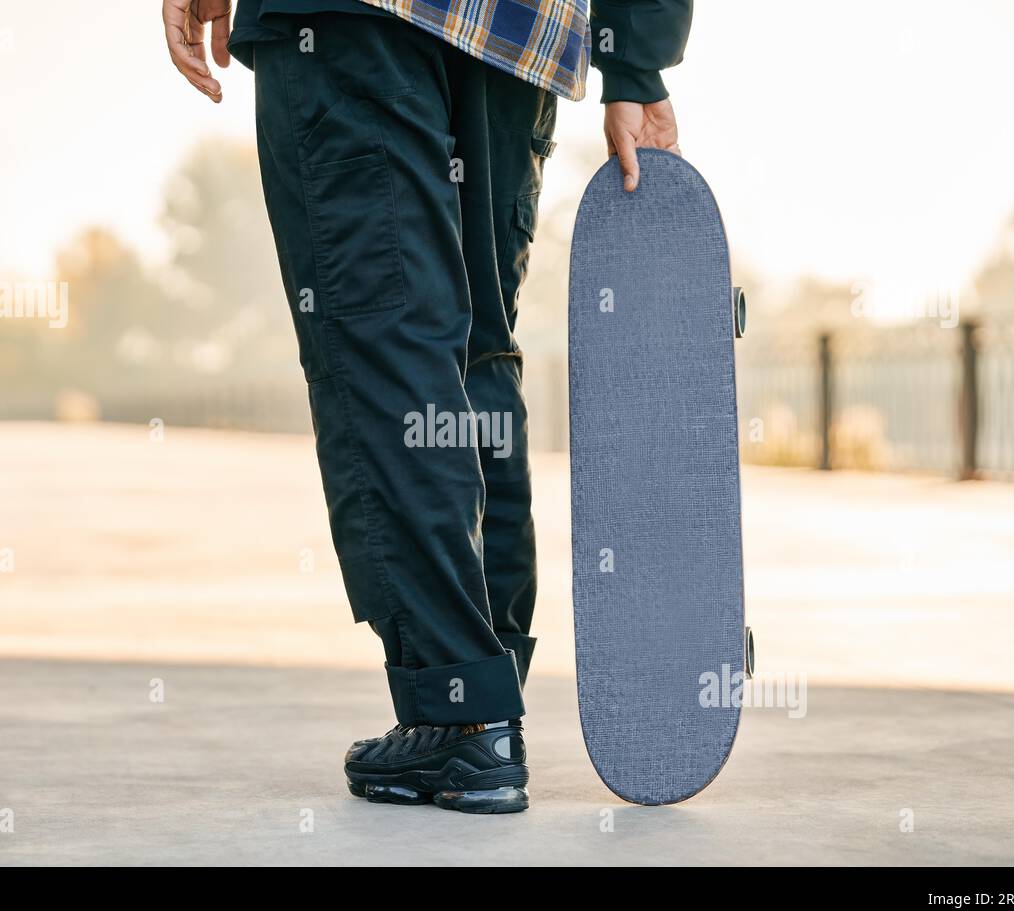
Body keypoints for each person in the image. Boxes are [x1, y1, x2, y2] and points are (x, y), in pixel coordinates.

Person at [162, 0, 693, 813]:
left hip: (350, 20)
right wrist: (636, 62)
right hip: (517, 35)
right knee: (474, 349)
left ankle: (463, 711)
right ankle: (483, 688)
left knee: (387, 344)